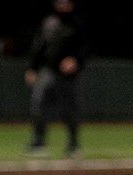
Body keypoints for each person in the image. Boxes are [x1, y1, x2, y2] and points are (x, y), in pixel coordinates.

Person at [25, 0, 89, 158]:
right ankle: (38, 143)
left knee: (69, 110)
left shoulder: (78, 23)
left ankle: (73, 145)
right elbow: (39, 46)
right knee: (38, 105)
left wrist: (76, 60)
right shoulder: (49, 23)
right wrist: (32, 68)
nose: (62, 5)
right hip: (48, 70)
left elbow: (86, 47)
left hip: (69, 76)